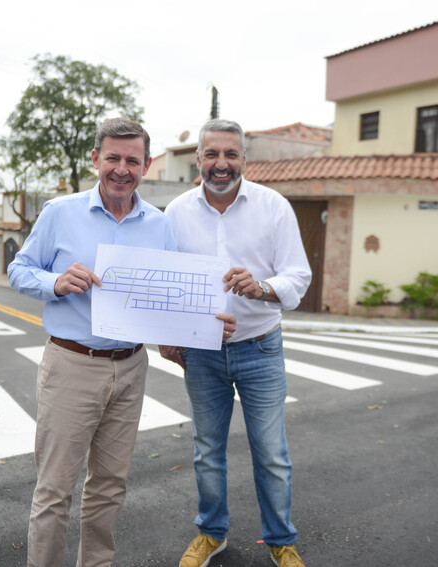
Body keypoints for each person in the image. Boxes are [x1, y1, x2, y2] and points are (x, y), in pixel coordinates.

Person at [8, 117, 236, 567]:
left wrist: (206, 326)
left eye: (132, 160)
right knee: (55, 490)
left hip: (130, 368)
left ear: (147, 165)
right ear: (95, 159)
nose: (121, 168)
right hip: (72, 364)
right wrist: (55, 282)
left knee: (110, 485)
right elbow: (19, 269)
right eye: (112, 157)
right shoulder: (60, 213)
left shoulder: (158, 224)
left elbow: (169, 296)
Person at [161, 119, 312, 567]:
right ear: (199, 160)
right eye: (212, 155)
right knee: (207, 450)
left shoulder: (274, 207)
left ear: (245, 159)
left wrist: (262, 287)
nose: (221, 164)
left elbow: (297, 277)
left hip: (260, 346)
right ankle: (212, 533)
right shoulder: (175, 213)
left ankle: (281, 540)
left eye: (231, 155)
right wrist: (169, 337)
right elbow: (167, 283)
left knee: (272, 453)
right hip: (202, 353)